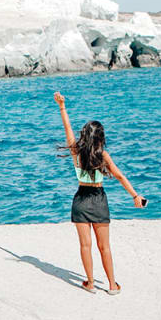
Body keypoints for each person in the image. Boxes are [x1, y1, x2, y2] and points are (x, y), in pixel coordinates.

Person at [54, 92, 146, 294]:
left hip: (80, 200)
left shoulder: (75, 151)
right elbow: (120, 176)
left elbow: (67, 128)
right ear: (100, 138)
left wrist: (62, 106)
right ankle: (112, 285)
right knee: (104, 246)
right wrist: (135, 196)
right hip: (98, 200)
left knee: (85, 245)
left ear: (84, 136)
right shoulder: (103, 155)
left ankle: (90, 283)